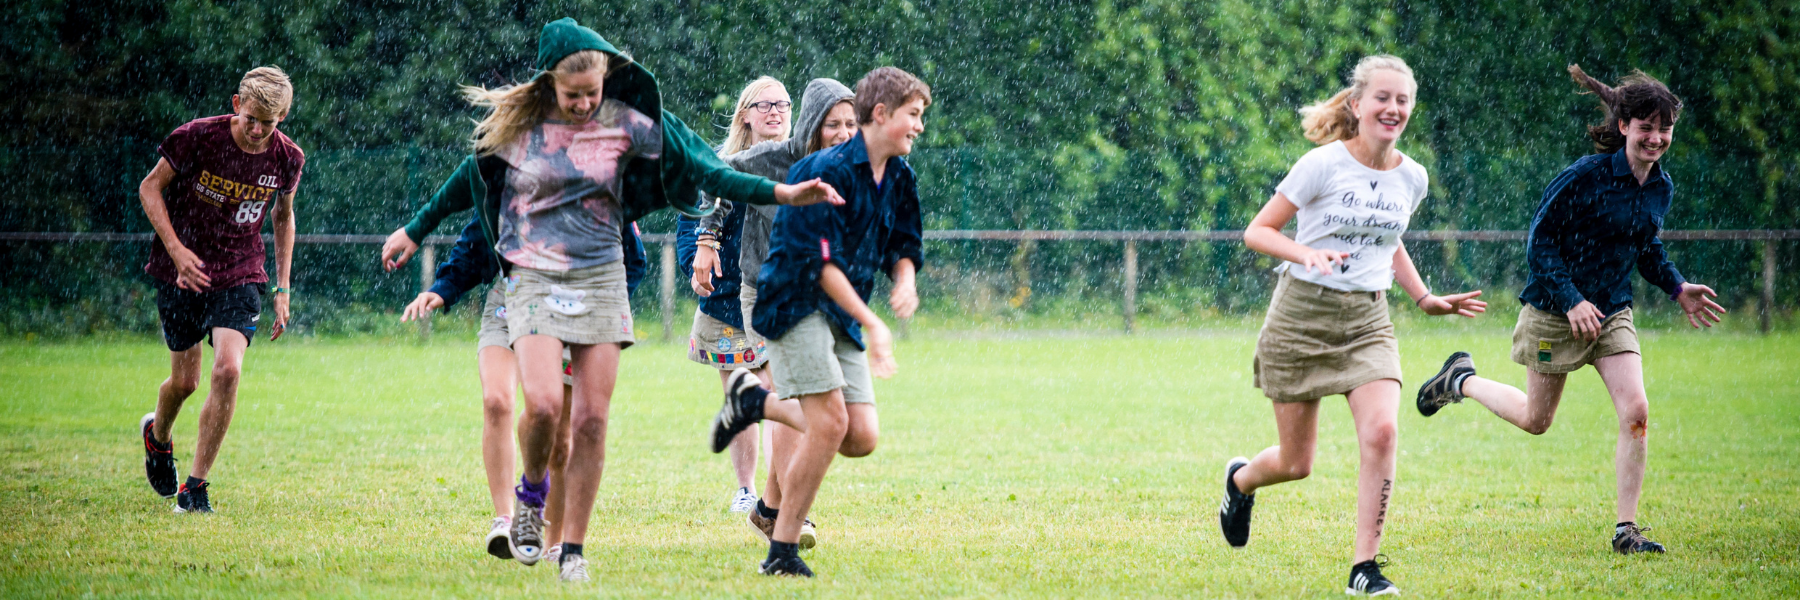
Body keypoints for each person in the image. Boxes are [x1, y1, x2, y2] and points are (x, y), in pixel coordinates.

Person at [376, 18, 843, 583]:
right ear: (550, 85)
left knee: (592, 421)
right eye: (572, 96)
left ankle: (571, 548)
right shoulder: (518, 127)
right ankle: (529, 497)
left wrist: (782, 190)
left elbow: (708, 169)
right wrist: (415, 229)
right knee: (544, 406)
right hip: (534, 276)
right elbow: (465, 178)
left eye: (592, 94)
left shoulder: (629, 124)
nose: (583, 106)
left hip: (601, 275)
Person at [1414, 65, 1723, 555]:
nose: (1656, 138)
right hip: (1555, 311)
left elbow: (1646, 248)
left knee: (1637, 411)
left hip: (1611, 311)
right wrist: (1571, 299)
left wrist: (1677, 286)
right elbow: (1541, 243)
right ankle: (1461, 380)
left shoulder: (1661, 187)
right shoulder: (1584, 177)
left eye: (1664, 129)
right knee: (1537, 421)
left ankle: (1627, 531)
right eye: (1646, 128)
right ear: (1624, 126)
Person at [1223, 55, 1485, 597]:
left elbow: (1388, 242)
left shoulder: (1413, 177)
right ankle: (1240, 481)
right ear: (1357, 105)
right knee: (1297, 464)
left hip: (1369, 319)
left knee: (1383, 432)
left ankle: (1364, 567)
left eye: (1403, 100)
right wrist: (1306, 254)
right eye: (1383, 98)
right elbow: (1257, 231)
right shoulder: (1321, 165)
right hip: (1300, 316)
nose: (1393, 109)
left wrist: (1425, 297)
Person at [710, 67, 928, 578]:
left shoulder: (899, 175)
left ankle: (755, 401)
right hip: (792, 301)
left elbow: (904, 243)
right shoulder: (825, 170)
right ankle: (782, 549)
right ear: (883, 115)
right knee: (830, 422)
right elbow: (822, 265)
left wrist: (905, 278)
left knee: (861, 437)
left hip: (840, 310)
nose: (919, 127)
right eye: (913, 116)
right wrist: (874, 325)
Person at [396, 215, 647, 564]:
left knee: (559, 435)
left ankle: (555, 541)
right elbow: (476, 238)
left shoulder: (598, 176)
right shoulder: (510, 172)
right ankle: (505, 519)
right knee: (496, 400)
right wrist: (443, 287)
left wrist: (600, 314)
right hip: (512, 297)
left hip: (575, 306)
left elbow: (634, 260)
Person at [696, 78, 858, 549]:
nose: (845, 132)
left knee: (799, 403)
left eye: (851, 123)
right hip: (763, 293)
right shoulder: (773, 157)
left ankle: (771, 508)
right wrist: (706, 241)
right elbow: (716, 175)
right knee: (796, 397)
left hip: (815, 295)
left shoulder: (851, 162)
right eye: (834, 123)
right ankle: (790, 514)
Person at [138, 66, 306, 515]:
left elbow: (283, 218)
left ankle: (194, 488)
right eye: (250, 118)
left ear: (283, 118)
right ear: (236, 104)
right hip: (183, 271)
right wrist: (176, 251)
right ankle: (158, 437)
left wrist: (283, 287)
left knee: (228, 371)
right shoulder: (196, 137)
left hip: (241, 271)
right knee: (186, 382)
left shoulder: (287, 158)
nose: (256, 131)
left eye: (267, 124)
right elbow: (149, 188)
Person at [675, 76, 793, 515]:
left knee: (775, 392)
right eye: (765, 105)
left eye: (782, 104)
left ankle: (774, 494)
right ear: (745, 113)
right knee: (743, 390)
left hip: (777, 299)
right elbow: (692, 225)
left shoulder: (798, 165)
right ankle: (747, 491)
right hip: (726, 301)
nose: (775, 112)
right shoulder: (719, 166)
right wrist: (695, 263)